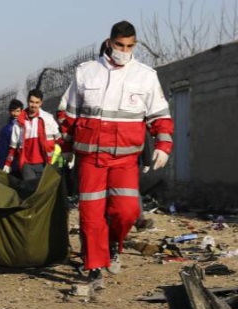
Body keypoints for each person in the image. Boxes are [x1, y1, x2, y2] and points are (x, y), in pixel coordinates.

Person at [60, 20, 173, 289]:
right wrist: (66, 148)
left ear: (135, 45)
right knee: (91, 214)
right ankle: (94, 266)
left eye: (129, 46)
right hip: (91, 158)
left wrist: (163, 145)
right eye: (119, 45)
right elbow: (68, 114)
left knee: (127, 212)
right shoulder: (86, 72)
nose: (124, 51)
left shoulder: (145, 76)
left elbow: (160, 115)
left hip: (125, 160)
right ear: (109, 43)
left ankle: (112, 243)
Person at [3, 89, 59, 182]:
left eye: (37, 102)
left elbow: (59, 139)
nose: (34, 105)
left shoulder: (48, 119)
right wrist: (8, 163)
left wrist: (68, 153)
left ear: (41, 103)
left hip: (45, 163)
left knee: (44, 190)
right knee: (30, 189)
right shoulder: (19, 122)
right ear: (27, 101)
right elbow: (13, 146)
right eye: (31, 102)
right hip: (27, 165)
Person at [0, 99, 23, 171]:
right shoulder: (6, 130)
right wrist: (3, 166)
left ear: (22, 111)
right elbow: (2, 151)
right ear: (9, 112)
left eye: (17, 111)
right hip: (13, 165)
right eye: (13, 111)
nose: (15, 114)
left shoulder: (27, 126)